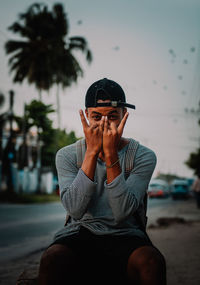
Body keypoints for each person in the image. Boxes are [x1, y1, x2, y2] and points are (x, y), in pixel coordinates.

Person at [38, 78, 166, 285]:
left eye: (113, 116)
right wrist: (91, 153)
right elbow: (75, 209)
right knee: (52, 258)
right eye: (96, 116)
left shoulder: (142, 156)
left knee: (151, 262)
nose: (104, 123)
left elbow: (122, 212)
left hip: (126, 233)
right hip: (80, 231)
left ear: (124, 116)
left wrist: (110, 154)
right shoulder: (68, 155)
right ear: (87, 116)